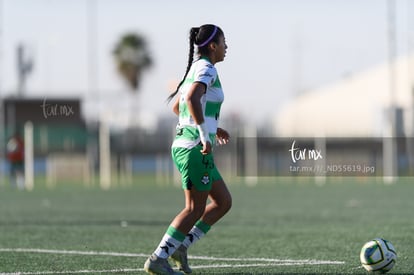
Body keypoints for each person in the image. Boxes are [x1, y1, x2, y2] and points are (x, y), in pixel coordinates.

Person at [144, 24, 232, 275]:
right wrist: (204, 134)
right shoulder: (206, 67)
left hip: (190, 144)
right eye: (224, 42)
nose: (227, 47)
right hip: (195, 147)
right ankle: (158, 258)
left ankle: (180, 246)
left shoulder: (197, 68)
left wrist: (215, 127)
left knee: (223, 201)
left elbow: (178, 108)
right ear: (213, 46)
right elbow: (192, 99)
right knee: (194, 209)